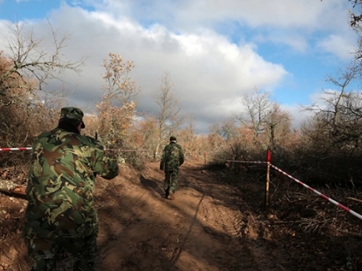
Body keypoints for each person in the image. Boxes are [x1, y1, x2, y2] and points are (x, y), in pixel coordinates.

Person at [22, 107, 120, 271]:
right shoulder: (89, 145)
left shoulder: (40, 140)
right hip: (77, 219)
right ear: (79, 125)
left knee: (41, 264)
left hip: (40, 216)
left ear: (60, 121)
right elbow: (111, 172)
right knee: (84, 262)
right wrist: (101, 152)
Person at [160, 136, 184, 200]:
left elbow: (163, 158)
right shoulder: (178, 147)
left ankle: (167, 193)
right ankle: (172, 190)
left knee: (167, 180)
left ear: (170, 140)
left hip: (167, 167)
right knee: (174, 179)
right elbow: (182, 157)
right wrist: (179, 163)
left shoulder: (167, 147)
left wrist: (162, 167)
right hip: (175, 167)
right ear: (175, 141)